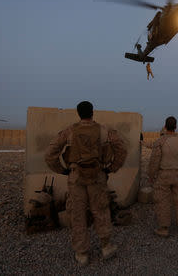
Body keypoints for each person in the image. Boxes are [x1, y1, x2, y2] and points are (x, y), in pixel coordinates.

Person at [44, 101, 127, 265]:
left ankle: (82, 253)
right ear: (92, 112)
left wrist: (62, 170)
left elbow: (50, 154)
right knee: (101, 210)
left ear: (78, 113)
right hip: (98, 176)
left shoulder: (69, 132)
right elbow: (121, 149)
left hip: (76, 178)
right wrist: (111, 168)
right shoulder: (104, 131)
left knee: (77, 214)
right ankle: (106, 247)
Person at [148, 116, 178, 237]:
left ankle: (164, 228)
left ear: (165, 126)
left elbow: (154, 161)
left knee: (162, 201)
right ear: (176, 127)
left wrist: (151, 175)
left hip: (163, 175)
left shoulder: (160, 142)